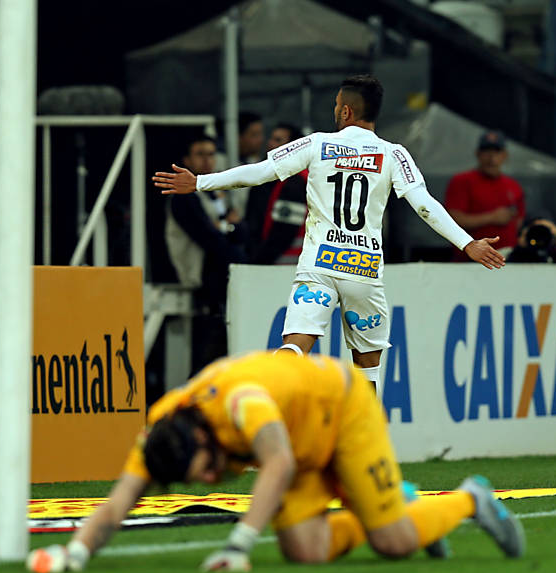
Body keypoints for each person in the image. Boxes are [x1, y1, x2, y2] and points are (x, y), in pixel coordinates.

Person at [154, 75, 505, 391]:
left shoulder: (317, 144)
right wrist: (467, 242)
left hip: (320, 263)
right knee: (368, 364)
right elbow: (424, 204)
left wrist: (201, 182)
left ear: (348, 112)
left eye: (337, 106)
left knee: (295, 345)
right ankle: (364, 442)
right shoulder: (394, 154)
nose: (335, 111)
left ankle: (277, 407)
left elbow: (260, 172)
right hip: (364, 269)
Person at [26, 351, 525, 573]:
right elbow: (116, 505)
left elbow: (279, 463)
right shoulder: (162, 430)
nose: (206, 480)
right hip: (299, 439)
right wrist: (77, 553)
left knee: (393, 544)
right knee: (305, 553)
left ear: (205, 434)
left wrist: (239, 545)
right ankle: (404, 503)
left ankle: (469, 499)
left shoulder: (242, 402)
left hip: (343, 412)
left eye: (203, 467)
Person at [164, 134, 247, 371]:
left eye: (211, 154)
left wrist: (232, 230)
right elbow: (209, 238)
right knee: (207, 345)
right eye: (200, 154)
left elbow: (241, 230)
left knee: (223, 343)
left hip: (222, 276)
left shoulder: (216, 191)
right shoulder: (183, 196)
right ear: (186, 159)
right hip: (201, 277)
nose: (207, 160)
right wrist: (232, 232)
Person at [445, 131, 525, 259]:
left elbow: (520, 222)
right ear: (478, 154)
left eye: (496, 152)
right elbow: (451, 221)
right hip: (471, 261)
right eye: (486, 151)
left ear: (504, 155)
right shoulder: (462, 181)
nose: (491, 157)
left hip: (508, 260)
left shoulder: (513, 185)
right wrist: (491, 217)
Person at [244, 122, 308, 265]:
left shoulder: (294, 183)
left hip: (285, 262)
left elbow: (284, 231)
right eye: (271, 139)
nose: (270, 144)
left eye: (278, 140)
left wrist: (258, 261)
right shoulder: (277, 179)